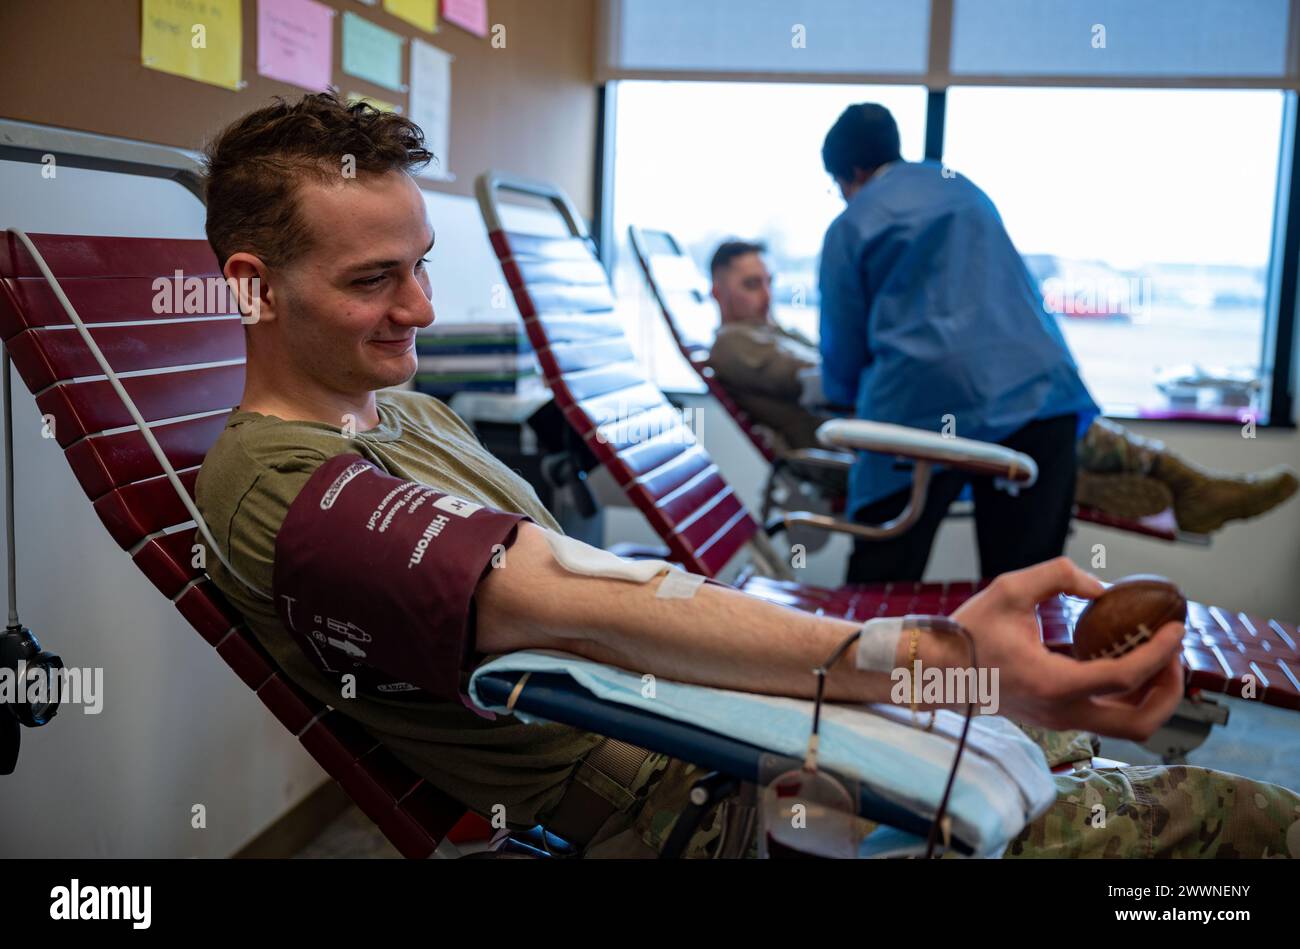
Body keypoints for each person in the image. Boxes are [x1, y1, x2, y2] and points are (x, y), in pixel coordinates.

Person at [194, 93, 1298, 859]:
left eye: (422, 266)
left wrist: (955, 680)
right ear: (253, 288)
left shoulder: (410, 414)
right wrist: (947, 664)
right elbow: (579, 607)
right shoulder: (280, 488)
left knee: (1167, 792)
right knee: (1230, 827)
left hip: (744, 726)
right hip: (710, 793)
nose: (421, 309)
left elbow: (616, 604)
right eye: (374, 279)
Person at [706, 241, 1298, 538]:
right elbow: (818, 385)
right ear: (718, 290)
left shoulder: (771, 330)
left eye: (768, 281)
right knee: (1021, 422)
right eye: (751, 284)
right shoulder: (733, 343)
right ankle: (1175, 485)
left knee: (1029, 421)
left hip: (886, 429)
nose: (765, 294)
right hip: (869, 447)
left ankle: (1169, 484)